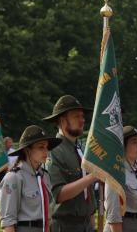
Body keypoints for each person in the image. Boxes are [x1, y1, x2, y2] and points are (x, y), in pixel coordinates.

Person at [43, 95, 98, 232]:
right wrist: (93, 176)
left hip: (87, 225)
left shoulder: (81, 149)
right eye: (76, 116)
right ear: (62, 120)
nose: (82, 120)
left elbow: (88, 191)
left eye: (82, 116)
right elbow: (59, 194)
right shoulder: (54, 151)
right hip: (65, 225)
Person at [0, 125, 61, 232]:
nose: (46, 152)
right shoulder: (14, 178)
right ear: (27, 150)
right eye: (41, 147)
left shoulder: (45, 176)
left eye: (47, 147)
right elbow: (8, 223)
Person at [104, 126, 137, 232]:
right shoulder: (116, 171)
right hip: (124, 226)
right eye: (134, 141)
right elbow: (113, 214)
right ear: (123, 146)